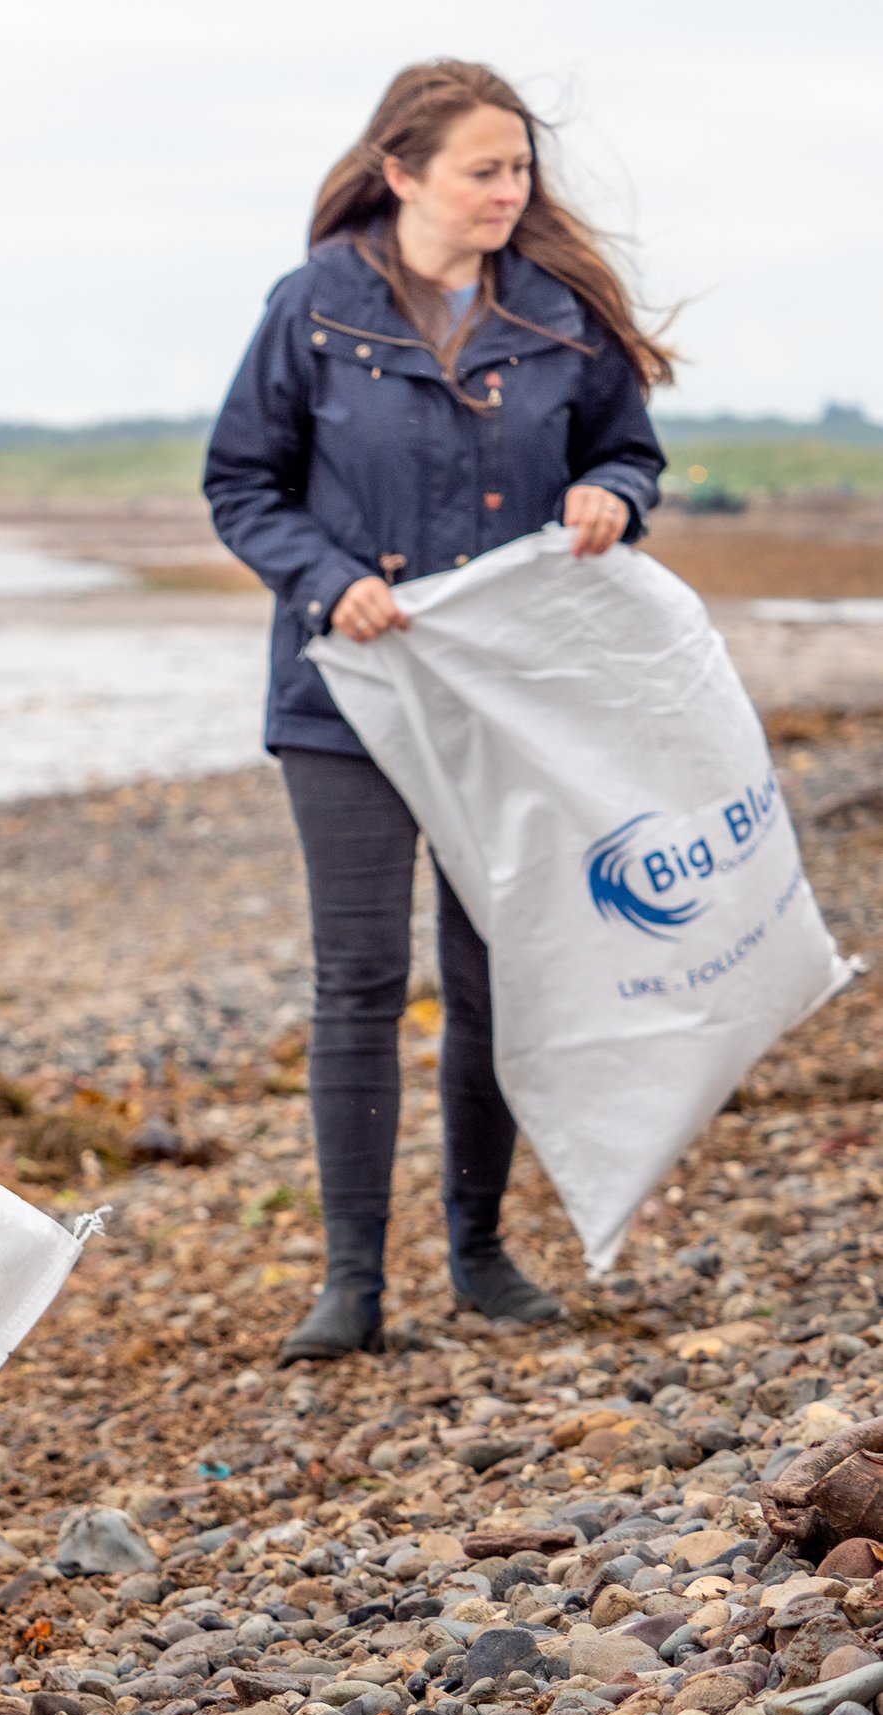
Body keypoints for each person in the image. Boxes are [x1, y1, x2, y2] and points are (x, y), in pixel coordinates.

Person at [204, 61, 672, 1363]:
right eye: (485, 169)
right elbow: (241, 483)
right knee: (358, 979)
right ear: (401, 173)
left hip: (508, 701)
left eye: (520, 169)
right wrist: (327, 577)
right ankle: (352, 1280)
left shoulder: (560, 311)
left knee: (494, 976)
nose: (511, 192)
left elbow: (627, 450)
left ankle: (479, 1251)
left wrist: (614, 496)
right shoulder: (312, 311)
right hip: (343, 695)